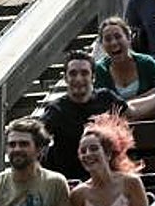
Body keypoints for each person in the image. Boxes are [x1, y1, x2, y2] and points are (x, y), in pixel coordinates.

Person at [39, 53, 130, 181]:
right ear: (65, 78)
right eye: (73, 73)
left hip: (106, 174)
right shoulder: (56, 109)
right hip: (69, 178)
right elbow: (38, 136)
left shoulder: (105, 98)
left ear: (93, 77)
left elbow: (131, 111)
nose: (78, 78)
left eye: (84, 73)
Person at [70, 113, 150, 206]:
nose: (88, 154)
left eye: (94, 149)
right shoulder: (78, 194)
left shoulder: (130, 182)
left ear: (107, 154)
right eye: (83, 151)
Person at [93, 17, 155, 99]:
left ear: (128, 38)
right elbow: (104, 105)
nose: (113, 43)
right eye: (108, 39)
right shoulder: (101, 69)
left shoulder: (147, 63)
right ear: (102, 44)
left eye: (118, 37)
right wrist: (147, 96)